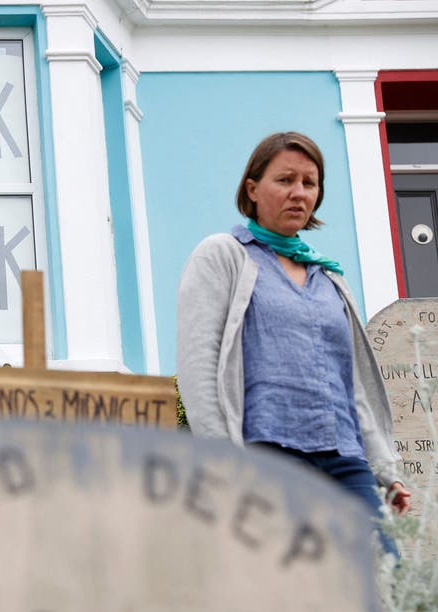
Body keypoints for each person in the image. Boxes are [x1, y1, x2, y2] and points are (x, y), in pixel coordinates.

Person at [176, 131, 410, 558]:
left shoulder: (330, 278)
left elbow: (351, 385)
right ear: (252, 188)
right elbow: (199, 367)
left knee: (388, 582)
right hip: (268, 457)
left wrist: (387, 472)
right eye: (284, 180)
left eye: (309, 183)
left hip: (343, 458)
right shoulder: (225, 257)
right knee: (286, 595)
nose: (298, 193)